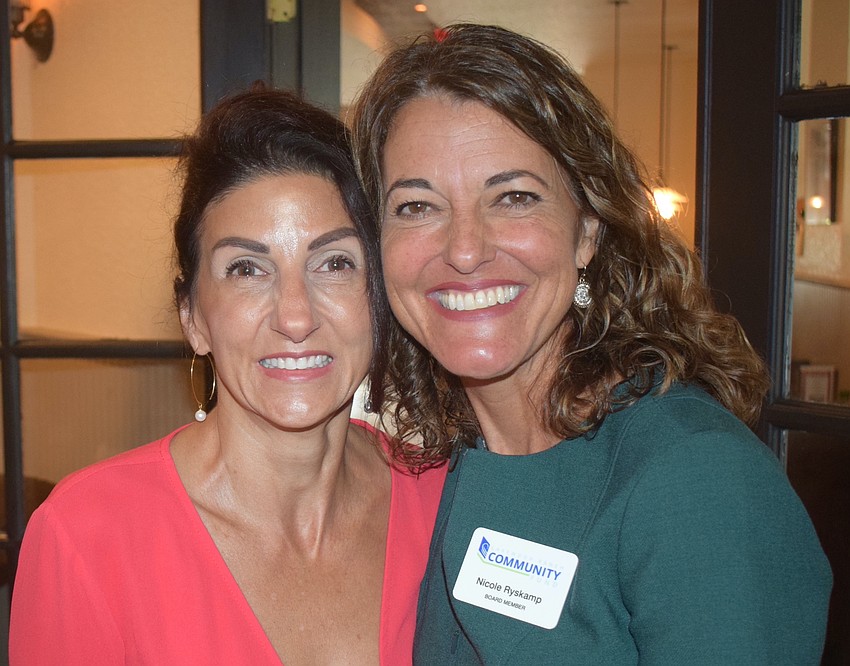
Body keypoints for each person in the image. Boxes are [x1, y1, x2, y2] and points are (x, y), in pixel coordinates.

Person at [350, 23, 832, 664]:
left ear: (588, 231)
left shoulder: (696, 480)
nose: (464, 250)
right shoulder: (441, 468)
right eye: (416, 207)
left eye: (513, 197)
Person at [10, 86, 445, 665]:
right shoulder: (86, 536)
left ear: (379, 299)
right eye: (246, 270)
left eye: (334, 263)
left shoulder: (442, 500)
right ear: (193, 317)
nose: (296, 316)